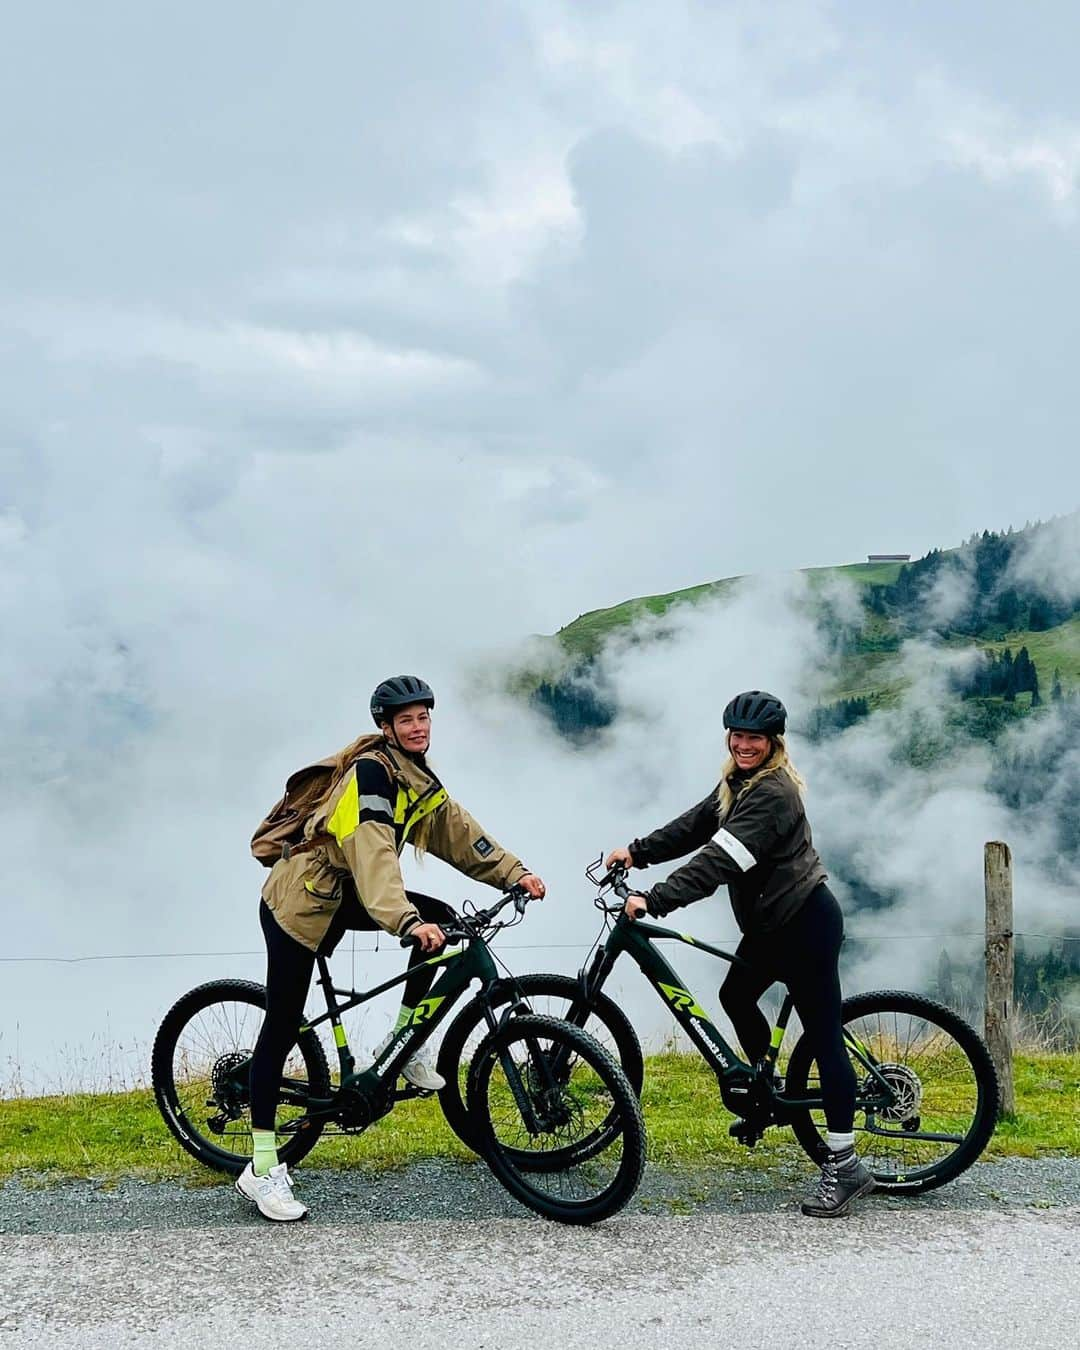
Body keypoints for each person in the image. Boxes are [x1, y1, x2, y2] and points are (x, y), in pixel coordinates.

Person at [238, 675, 546, 1221]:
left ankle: (407, 1044)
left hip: (346, 892)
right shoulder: (371, 776)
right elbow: (375, 854)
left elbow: (459, 832)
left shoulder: (414, 773)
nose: (418, 726)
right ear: (386, 727)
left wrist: (513, 873)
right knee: (282, 1022)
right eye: (406, 720)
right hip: (300, 904)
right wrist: (405, 922)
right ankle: (262, 1167)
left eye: (424, 717)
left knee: (446, 921)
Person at [605, 689, 873, 1219]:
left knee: (823, 1037)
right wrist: (637, 851)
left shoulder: (774, 794)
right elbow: (697, 825)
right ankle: (765, 1088)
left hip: (805, 925)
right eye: (737, 735)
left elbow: (719, 860)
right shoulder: (737, 781)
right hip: (773, 926)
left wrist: (654, 898)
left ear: (774, 742)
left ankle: (845, 1166)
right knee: (735, 994)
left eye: (754, 737)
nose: (744, 744)